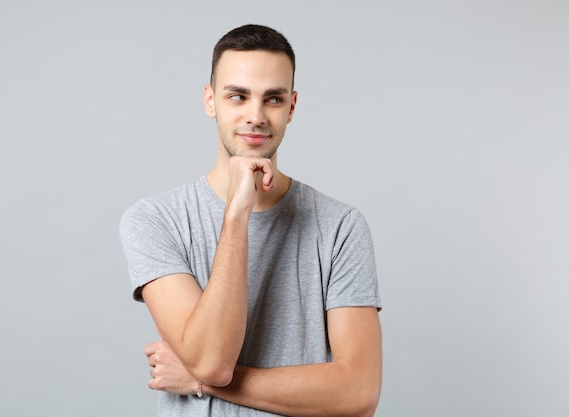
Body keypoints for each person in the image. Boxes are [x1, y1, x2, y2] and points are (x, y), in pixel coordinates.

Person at [120, 24, 382, 417]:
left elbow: (358, 394)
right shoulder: (155, 220)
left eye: (273, 99)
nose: (255, 115)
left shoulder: (340, 226)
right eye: (238, 96)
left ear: (291, 107)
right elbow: (212, 358)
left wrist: (199, 383)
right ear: (211, 101)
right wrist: (238, 212)